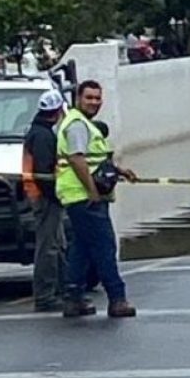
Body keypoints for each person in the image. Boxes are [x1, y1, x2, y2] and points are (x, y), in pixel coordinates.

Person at [56, 80, 138, 319]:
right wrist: (92, 190)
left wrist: (120, 170)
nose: (94, 102)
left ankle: (73, 299)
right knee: (104, 247)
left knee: (82, 248)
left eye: (97, 98)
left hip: (80, 196)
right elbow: (77, 159)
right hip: (85, 197)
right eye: (89, 98)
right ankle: (117, 299)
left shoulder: (84, 124)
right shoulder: (77, 125)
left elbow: (94, 159)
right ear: (78, 99)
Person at [22, 90, 67, 312]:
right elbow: (44, 172)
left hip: (41, 195)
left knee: (57, 244)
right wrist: (58, 196)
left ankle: (63, 288)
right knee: (48, 247)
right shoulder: (43, 136)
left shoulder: (38, 132)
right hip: (44, 197)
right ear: (58, 111)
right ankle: (45, 296)